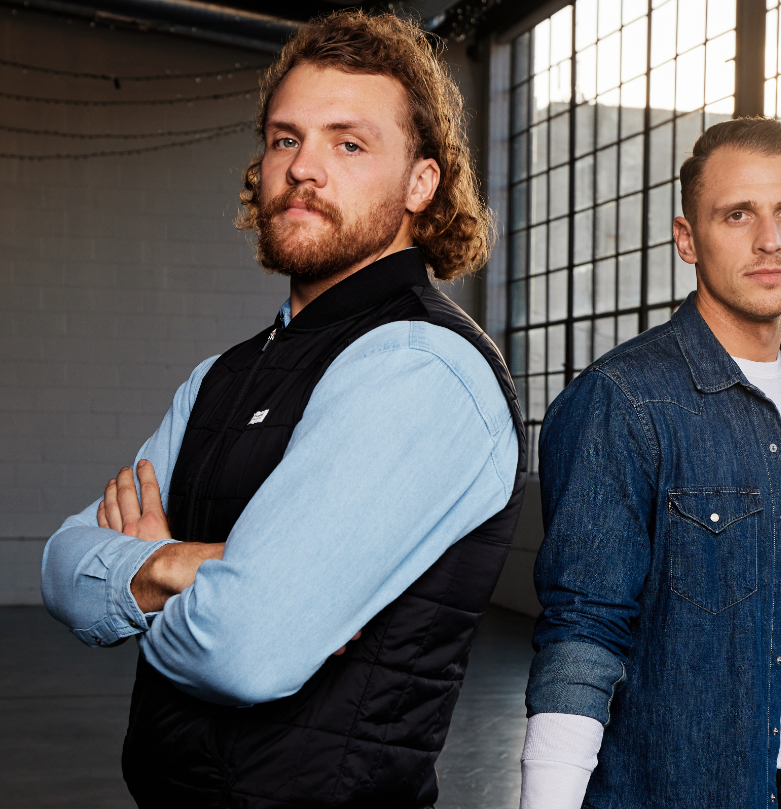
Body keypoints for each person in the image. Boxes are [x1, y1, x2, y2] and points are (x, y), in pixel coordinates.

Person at [40, 11, 524, 809]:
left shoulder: (422, 366)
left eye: (349, 142)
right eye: (286, 138)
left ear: (420, 183)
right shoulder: (220, 377)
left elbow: (245, 646)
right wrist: (176, 564)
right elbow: (61, 562)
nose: (304, 168)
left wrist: (153, 584)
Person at [518, 117, 781, 809]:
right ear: (687, 238)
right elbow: (583, 627)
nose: (769, 239)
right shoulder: (622, 401)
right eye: (737, 213)